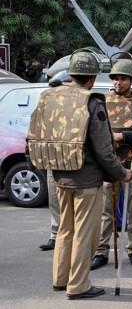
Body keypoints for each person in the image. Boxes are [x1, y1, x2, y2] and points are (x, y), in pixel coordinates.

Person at [27, 50, 132, 299]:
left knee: (65, 229)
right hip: (86, 180)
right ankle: (79, 285)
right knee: (85, 233)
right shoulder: (92, 102)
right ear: (92, 78)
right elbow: (105, 151)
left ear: (72, 73)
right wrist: (122, 173)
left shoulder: (49, 96)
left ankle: (60, 278)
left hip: (59, 173)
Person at [91, 59, 132, 270]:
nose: (118, 82)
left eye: (123, 78)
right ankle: (101, 250)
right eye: (115, 78)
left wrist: (122, 136)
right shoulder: (103, 100)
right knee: (106, 208)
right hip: (110, 160)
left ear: (131, 79)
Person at [39, 71, 73, 251]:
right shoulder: (47, 106)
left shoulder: (77, 107)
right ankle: (55, 235)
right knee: (54, 199)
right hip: (53, 160)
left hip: (73, 162)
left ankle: (73, 238)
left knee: (74, 203)